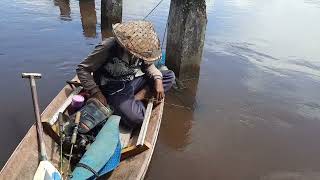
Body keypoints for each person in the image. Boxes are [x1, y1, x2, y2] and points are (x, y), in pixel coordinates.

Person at [76, 20, 175, 128]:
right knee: (137, 119)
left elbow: (148, 65)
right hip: (113, 89)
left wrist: (158, 79)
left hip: (130, 81)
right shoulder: (108, 47)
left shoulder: (142, 50)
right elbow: (82, 69)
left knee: (169, 76)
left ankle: (138, 97)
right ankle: (133, 103)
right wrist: (96, 92)